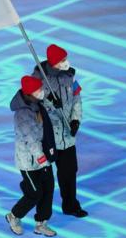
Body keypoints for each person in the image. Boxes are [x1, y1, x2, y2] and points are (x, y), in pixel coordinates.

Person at [32, 44, 88, 218]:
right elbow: (34, 105)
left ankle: (70, 206)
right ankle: (41, 215)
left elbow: (77, 100)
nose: (66, 62)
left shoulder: (70, 77)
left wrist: (75, 120)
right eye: (62, 60)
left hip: (67, 138)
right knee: (44, 179)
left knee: (69, 173)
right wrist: (50, 103)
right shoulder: (39, 80)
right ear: (54, 62)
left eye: (65, 58)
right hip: (48, 139)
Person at [5, 76, 57, 236]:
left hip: (43, 157)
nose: (41, 93)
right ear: (28, 94)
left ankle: (41, 223)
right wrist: (42, 159)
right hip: (29, 161)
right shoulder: (22, 114)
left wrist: (54, 102)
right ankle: (13, 216)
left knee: (48, 188)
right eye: (38, 91)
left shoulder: (37, 104)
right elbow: (31, 139)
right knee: (35, 193)